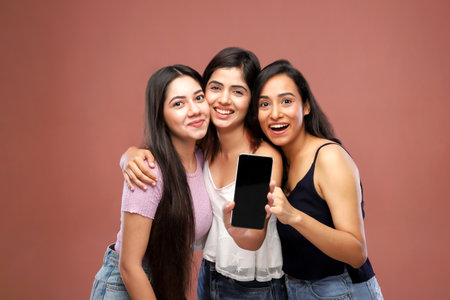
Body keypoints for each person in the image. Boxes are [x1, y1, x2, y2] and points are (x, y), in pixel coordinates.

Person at [120, 47, 287, 300]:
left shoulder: (258, 156)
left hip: (252, 287)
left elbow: (253, 238)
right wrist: (129, 155)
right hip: (209, 277)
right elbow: (162, 150)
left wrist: (238, 230)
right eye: (215, 88)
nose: (224, 100)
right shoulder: (202, 146)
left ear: (252, 99)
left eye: (238, 92)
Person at [251, 59, 383, 299]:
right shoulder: (274, 158)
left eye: (286, 101)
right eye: (264, 104)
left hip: (342, 290)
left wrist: (294, 217)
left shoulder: (329, 158)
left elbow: (357, 252)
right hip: (294, 289)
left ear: (306, 107)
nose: (275, 113)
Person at [90, 64, 213, 300]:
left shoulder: (203, 158)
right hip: (127, 285)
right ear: (160, 115)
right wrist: (129, 157)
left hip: (165, 280)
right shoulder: (148, 170)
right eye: (178, 103)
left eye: (198, 98)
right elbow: (130, 266)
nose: (195, 109)